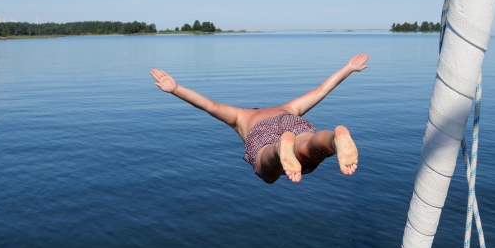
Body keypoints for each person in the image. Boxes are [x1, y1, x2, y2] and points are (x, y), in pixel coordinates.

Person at [150, 54, 369, 184]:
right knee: (310, 146)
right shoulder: (288, 108)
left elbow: (209, 105)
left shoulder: (240, 116)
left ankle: (278, 149)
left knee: (267, 171)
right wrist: (348, 68)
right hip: (291, 123)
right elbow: (321, 91)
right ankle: (333, 139)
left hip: (263, 133)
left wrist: (176, 89)